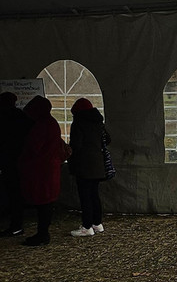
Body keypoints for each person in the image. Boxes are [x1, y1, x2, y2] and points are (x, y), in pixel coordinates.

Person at [18, 95, 66, 247]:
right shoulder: (52, 123)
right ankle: (43, 232)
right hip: (50, 168)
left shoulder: (42, 125)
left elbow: (34, 147)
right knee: (47, 202)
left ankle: (42, 234)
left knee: (43, 202)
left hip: (41, 169)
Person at [68, 97, 111, 236]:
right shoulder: (98, 122)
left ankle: (87, 226)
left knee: (85, 196)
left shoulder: (78, 123)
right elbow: (108, 139)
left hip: (84, 166)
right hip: (98, 165)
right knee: (94, 195)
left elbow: (76, 145)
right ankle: (97, 223)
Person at [0, 92, 31, 237]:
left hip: (9, 160)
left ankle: (15, 224)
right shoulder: (22, 116)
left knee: (12, 192)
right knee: (16, 192)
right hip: (20, 160)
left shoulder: (4, 117)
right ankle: (16, 222)